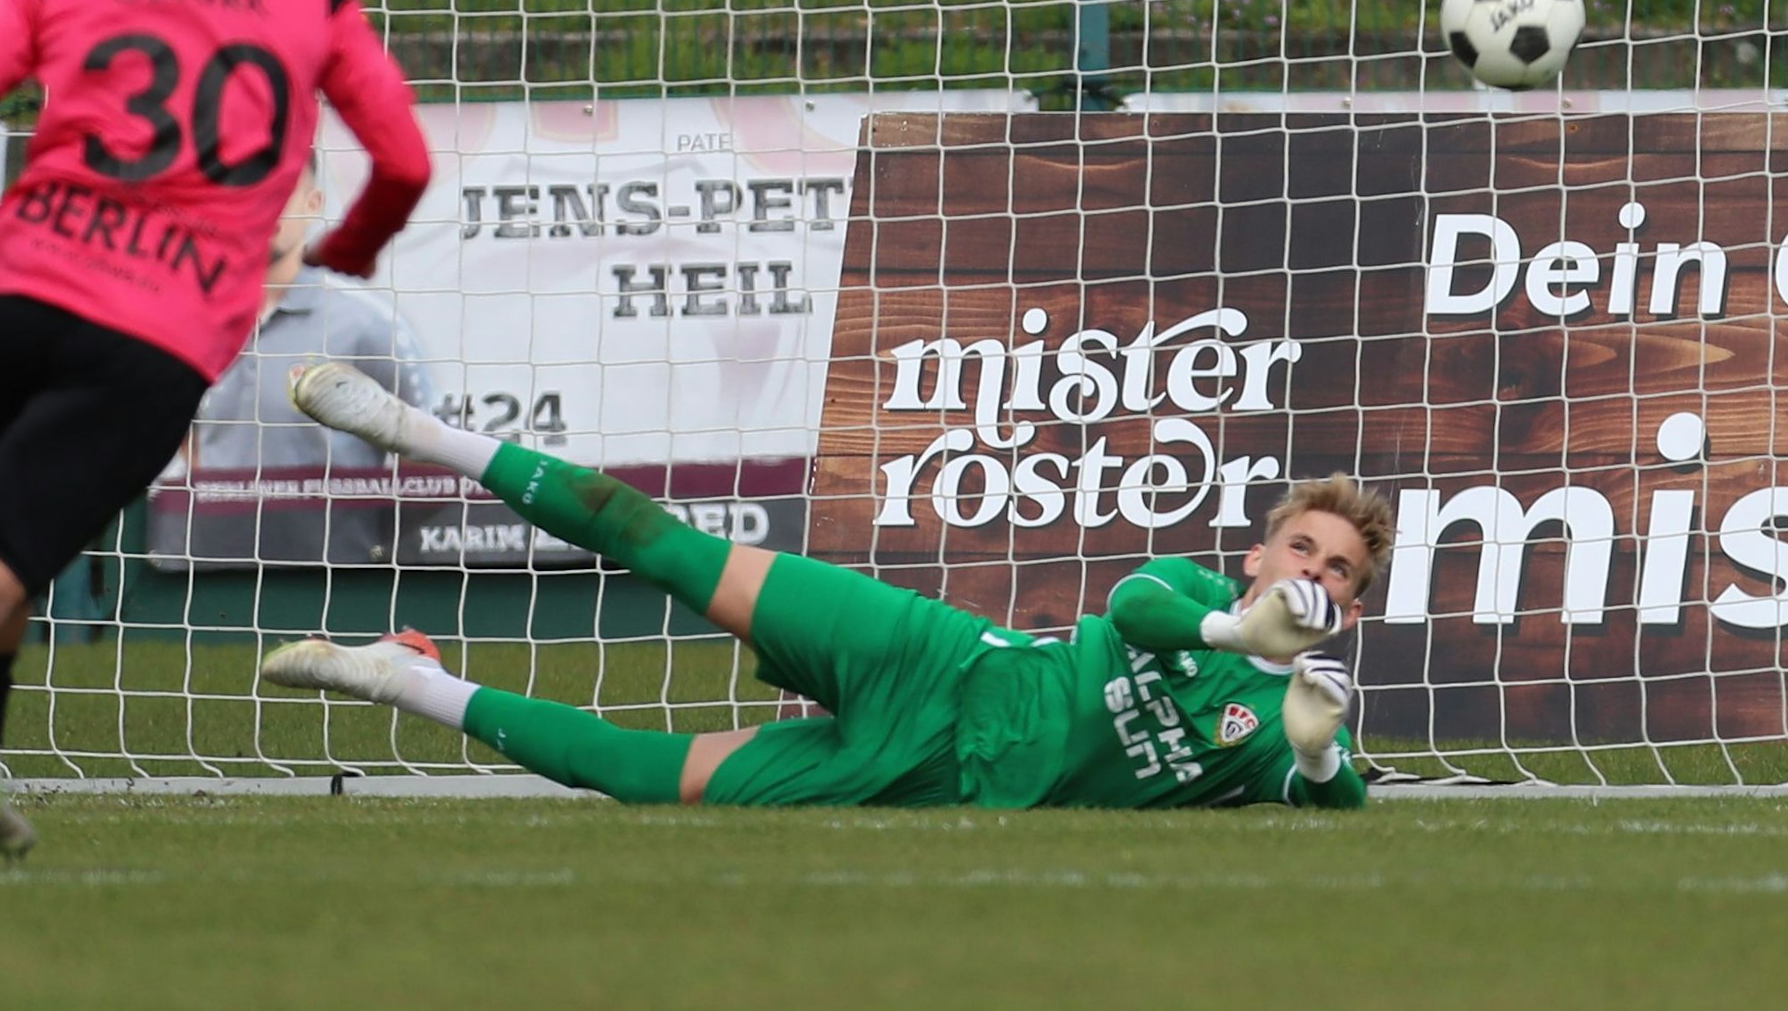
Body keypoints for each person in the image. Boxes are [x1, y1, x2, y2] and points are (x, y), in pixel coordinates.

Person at [0, 0, 432, 854]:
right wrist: (349, 247)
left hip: (21, 304)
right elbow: (401, 158)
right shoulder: (310, 3)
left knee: (13, 533)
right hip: (148, 330)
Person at [262, 362, 1392, 811]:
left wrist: (1310, 749)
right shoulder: (1190, 590)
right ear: (1259, 553)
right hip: (932, 655)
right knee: (662, 542)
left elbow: (1336, 814)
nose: (1315, 573)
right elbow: (1131, 608)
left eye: (1339, 569)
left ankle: (411, 682)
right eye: (1302, 548)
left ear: (1351, 600)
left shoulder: (1277, 722)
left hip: (926, 775)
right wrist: (1235, 625)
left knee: (638, 776)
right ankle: (413, 428)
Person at [151, 160, 433, 567]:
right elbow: (179, 431)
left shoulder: (365, 324)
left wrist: (370, 536)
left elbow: (424, 450)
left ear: (313, 201)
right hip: (209, 567)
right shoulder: (183, 320)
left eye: (281, 192)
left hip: (336, 568)